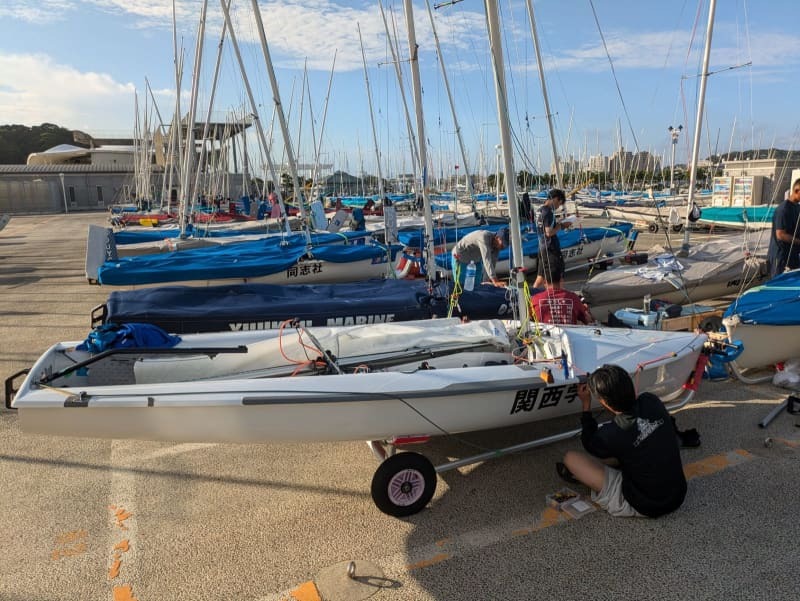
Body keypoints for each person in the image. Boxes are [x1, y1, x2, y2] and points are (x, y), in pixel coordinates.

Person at [558, 364, 688, 518]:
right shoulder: (651, 401)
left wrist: (585, 405)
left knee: (571, 458)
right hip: (678, 494)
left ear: (604, 402)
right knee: (626, 448)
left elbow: (589, 442)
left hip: (646, 505)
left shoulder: (612, 433)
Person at [529, 255, 594, 325]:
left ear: (544, 282)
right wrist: (586, 310)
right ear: (561, 280)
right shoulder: (574, 298)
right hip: (569, 334)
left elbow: (528, 319)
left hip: (545, 335)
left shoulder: (535, 299)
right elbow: (588, 320)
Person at [533, 188, 572, 288]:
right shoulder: (548, 211)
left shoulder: (539, 210)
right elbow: (549, 232)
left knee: (540, 277)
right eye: (559, 203)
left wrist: (558, 224)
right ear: (555, 199)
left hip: (541, 247)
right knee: (556, 276)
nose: (558, 206)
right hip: (550, 248)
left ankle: (530, 299)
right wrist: (561, 226)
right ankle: (558, 297)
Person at [767, 178, 800, 278]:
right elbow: (780, 234)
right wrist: (799, 241)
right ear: (797, 191)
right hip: (781, 257)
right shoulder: (784, 209)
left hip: (793, 256)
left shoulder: (797, 207)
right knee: (780, 286)